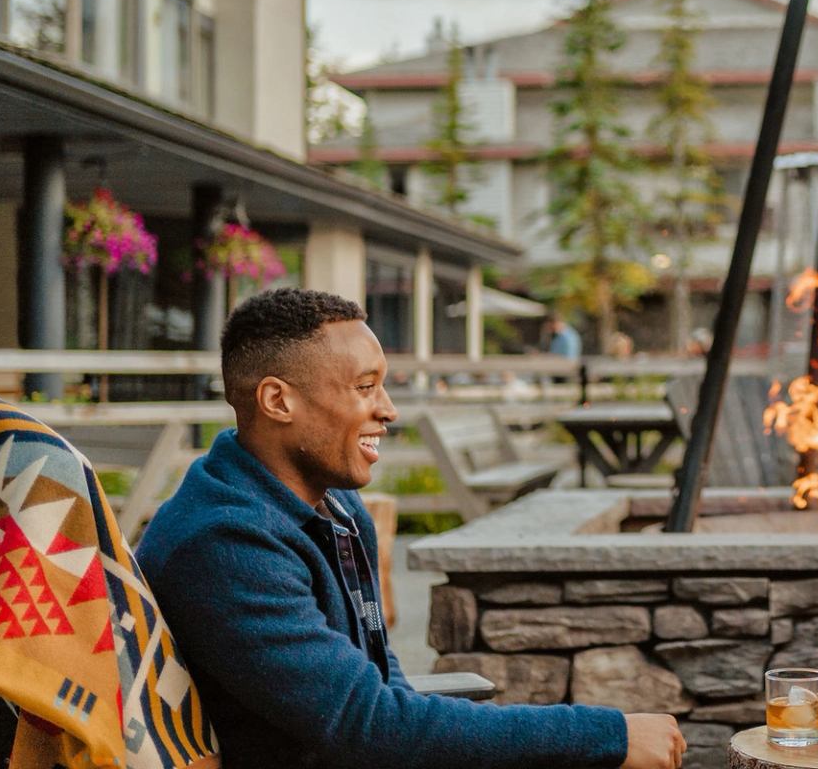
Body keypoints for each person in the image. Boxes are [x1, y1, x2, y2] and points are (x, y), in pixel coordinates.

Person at [137, 288, 685, 769]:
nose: (389, 409)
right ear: (279, 400)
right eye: (365, 386)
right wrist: (607, 735)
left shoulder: (337, 507)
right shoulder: (224, 544)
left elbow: (380, 685)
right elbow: (370, 727)